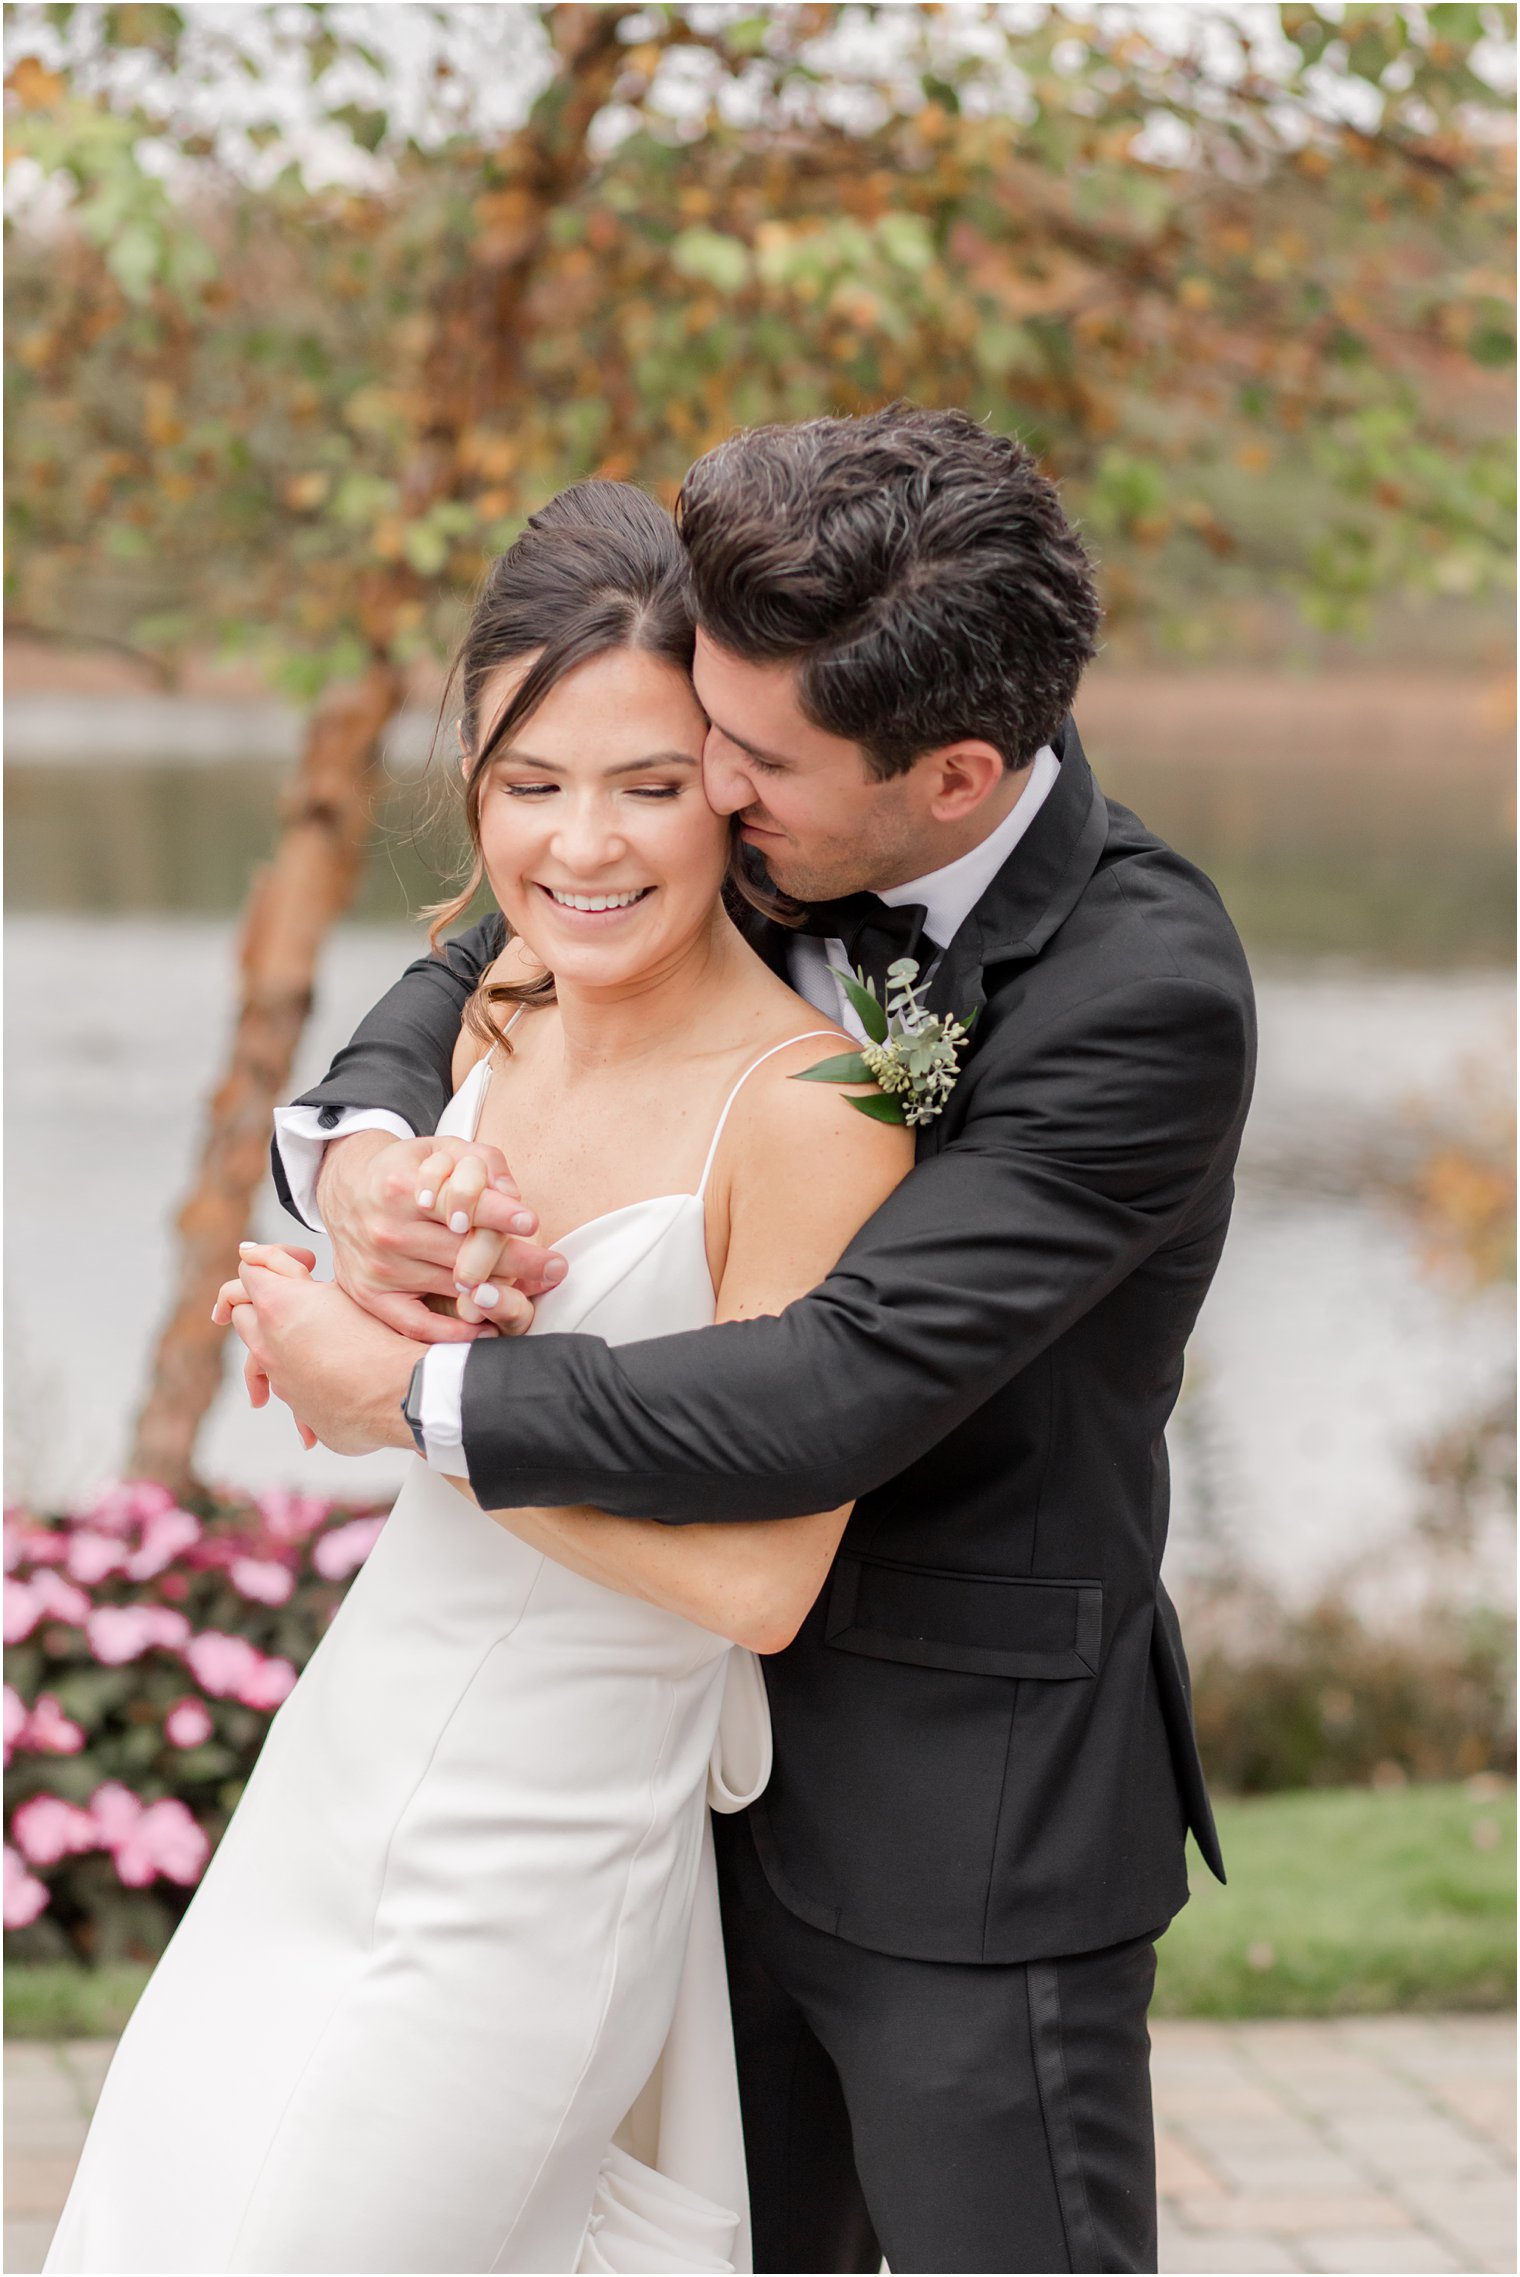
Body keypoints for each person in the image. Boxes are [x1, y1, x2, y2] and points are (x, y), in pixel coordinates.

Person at [231, 406, 1257, 2275]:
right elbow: (483, 954)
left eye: (738, 758)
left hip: (965, 1823)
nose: (697, 783)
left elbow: (831, 1386)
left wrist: (408, 1392)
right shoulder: (785, 787)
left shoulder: (1141, 995)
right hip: (650, 1809)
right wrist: (366, 1155)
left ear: (954, 778)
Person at [44, 482, 911, 2276]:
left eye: (648, 785)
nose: (582, 845)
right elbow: (406, 1274)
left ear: (734, 788)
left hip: (542, 1848)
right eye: (531, 783)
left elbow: (763, 1580)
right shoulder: (504, 1003)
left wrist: (397, 1404)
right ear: (474, 779)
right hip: (348, 1762)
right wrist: (386, 1233)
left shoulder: (814, 1111)